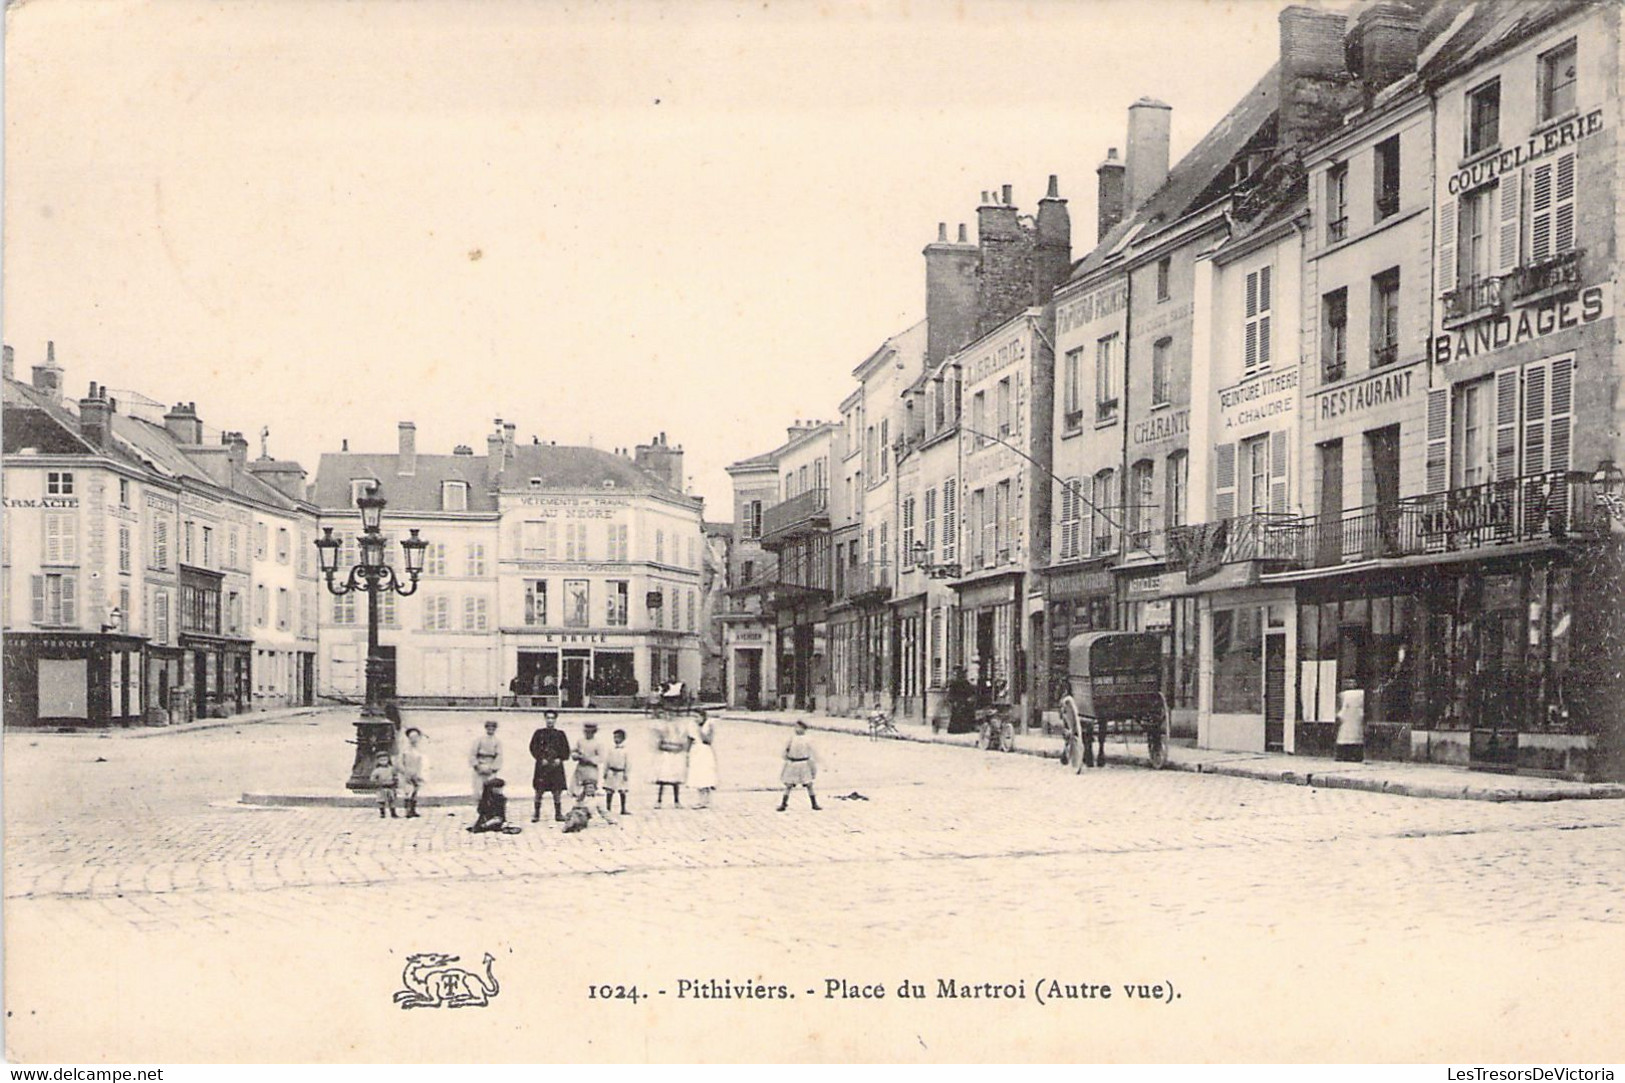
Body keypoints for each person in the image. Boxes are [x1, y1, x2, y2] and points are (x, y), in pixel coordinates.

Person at [529, 710, 571, 822]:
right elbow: (533, 747)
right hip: (542, 766)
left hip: (556, 766)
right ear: (545, 719)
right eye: (548, 718)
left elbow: (566, 749)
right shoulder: (539, 733)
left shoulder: (560, 734)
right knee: (539, 790)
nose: (550, 720)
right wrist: (540, 758)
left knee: (557, 790)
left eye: (552, 718)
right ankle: (536, 814)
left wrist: (560, 758)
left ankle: (558, 814)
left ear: (555, 720)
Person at [777, 721, 820, 811]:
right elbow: (785, 750)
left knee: (809, 784)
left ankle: (814, 803)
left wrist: (812, 765)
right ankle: (783, 803)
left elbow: (813, 752)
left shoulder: (808, 739)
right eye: (796, 727)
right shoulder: (791, 739)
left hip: (804, 764)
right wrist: (787, 758)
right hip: (793, 763)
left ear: (804, 729)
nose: (797, 729)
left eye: (799, 727)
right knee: (789, 785)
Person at [653, 710, 690, 807]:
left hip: (676, 756)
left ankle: (677, 801)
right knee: (663, 779)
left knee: (675, 779)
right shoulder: (662, 729)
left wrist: (679, 748)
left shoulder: (680, 729)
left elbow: (683, 744)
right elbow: (658, 745)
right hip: (666, 755)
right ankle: (659, 801)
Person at [686, 709, 719, 809]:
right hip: (695, 751)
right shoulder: (691, 726)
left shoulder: (709, 725)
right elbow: (689, 740)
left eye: (697, 717)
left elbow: (708, 740)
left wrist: (699, 730)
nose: (695, 719)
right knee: (697, 774)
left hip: (705, 751)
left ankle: (707, 800)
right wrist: (687, 754)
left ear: (703, 717)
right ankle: (700, 800)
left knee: (706, 774)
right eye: (693, 717)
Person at [572, 721, 606, 802]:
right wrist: (576, 756)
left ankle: (591, 807)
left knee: (590, 789)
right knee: (579, 790)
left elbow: (601, 758)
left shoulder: (598, 743)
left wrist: (588, 759)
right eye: (586, 731)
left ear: (594, 731)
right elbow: (574, 751)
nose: (587, 733)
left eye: (590, 731)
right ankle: (579, 807)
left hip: (591, 769)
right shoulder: (580, 741)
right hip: (580, 768)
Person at [469, 720, 503, 800]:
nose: (490, 729)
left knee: (490, 790)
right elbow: (473, 753)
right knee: (478, 789)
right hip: (480, 765)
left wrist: (493, 768)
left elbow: (499, 756)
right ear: (486, 728)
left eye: (493, 728)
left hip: (490, 766)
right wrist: (477, 766)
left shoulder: (497, 741)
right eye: (489, 727)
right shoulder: (479, 740)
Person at [399, 726, 428, 818]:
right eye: (411, 737)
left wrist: (421, 773)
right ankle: (407, 811)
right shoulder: (405, 750)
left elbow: (423, 762)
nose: (413, 739)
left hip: (417, 773)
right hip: (407, 773)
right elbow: (400, 762)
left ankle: (413, 810)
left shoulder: (420, 750)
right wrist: (404, 772)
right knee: (408, 792)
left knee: (415, 791)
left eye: (416, 737)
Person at [603, 728, 631, 816]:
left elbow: (628, 762)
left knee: (622, 790)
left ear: (623, 739)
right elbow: (606, 760)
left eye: (618, 737)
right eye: (614, 737)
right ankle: (608, 808)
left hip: (621, 772)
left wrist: (626, 773)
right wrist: (605, 771)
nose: (616, 739)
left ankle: (623, 808)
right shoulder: (611, 749)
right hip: (611, 771)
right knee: (609, 790)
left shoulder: (626, 750)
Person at [946, 666, 978, 735]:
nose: (958, 675)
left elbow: (971, 691)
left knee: (965, 714)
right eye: (957, 674)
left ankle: (966, 728)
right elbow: (950, 694)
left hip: (964, 702)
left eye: (959, 673)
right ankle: (956, 730)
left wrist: (970, 697)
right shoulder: (953, 683)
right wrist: (953, 701)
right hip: (957, 702)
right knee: (957, 716)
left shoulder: (965, 683)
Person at [371, 751, 399, 818]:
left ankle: (393, 813)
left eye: (385, 759)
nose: (383, 761)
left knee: (392, 800)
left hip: (390, 787)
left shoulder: (391, 769)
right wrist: (377, 782)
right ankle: (382, 813)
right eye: (381, 760)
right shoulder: (377, 770)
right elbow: (372, 778)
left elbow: (395, 776)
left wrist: (395, 781)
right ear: (378, 761)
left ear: (388, 760)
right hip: (382, 787)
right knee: (381, 801)